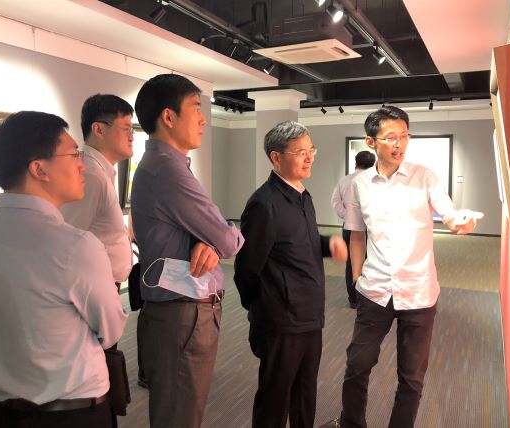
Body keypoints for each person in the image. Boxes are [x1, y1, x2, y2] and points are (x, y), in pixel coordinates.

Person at [0, 111, 128, 427]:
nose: (82, 165)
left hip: (2, 416)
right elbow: (110, 332)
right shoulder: (76, 246)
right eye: (74, 154)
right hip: (74, 415)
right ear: (39, 169)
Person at [321, 106, 479, 428]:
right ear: (370, 141)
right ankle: (351, 423)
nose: (400, 144)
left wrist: (459, 222)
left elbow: (449, 214)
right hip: (375, 291)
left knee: (411, 378)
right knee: (357, 366)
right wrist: (356, 278)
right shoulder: (359, 184)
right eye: (391, 137)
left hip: (419, 293)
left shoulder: (425, 177)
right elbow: (357, 235)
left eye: (405, 136)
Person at [131, 73, 244, 428]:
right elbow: (229, 240)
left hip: (181, 312)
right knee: (179, 416)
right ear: (168, 117)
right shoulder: (168, 170)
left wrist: (208, 240)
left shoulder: (166, 166)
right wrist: (218, 237)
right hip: (181, 313)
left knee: (180, 411)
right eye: (195, 107)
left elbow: (214, 236)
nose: (203, 119)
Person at [234, 121, 348, 428]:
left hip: (309, 315)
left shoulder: (302, 195)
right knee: (275, 399)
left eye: (311, 150)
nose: (309, 158)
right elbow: (246, 269)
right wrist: (264, 308)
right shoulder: (264, 204)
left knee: (305, 394)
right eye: (300, 152)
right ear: (276, 157)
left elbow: (299, 243)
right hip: (282, 321)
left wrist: (327, 244)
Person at [61, 94, 134, 292]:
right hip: (91, 288)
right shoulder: (91, 176)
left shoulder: (99, 172)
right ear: (99, 129)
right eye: (126, 128)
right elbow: (65, 241)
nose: (131, 136)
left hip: (100, 285)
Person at [331, 150, 376, 307]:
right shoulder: (375, 181)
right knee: (372, 260)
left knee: (351, 262)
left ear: (356, 163)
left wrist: (348, 215)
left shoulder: (345, 180)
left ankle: (353, 299)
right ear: (373, 164)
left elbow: (335, 201)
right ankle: (370, 297)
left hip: (349, 226)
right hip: (372, 227)